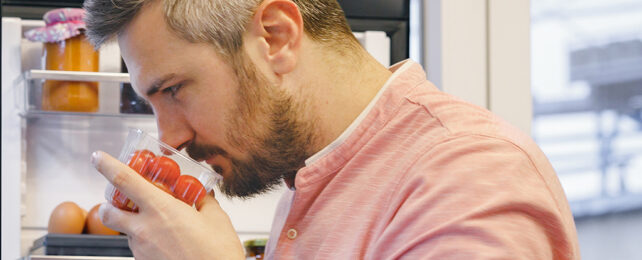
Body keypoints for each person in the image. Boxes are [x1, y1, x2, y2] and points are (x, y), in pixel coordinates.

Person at [84, 0, 580, 259]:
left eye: (173, 89)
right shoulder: (309, 187)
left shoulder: (467, 174)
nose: (169, 137)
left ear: (276, 37)